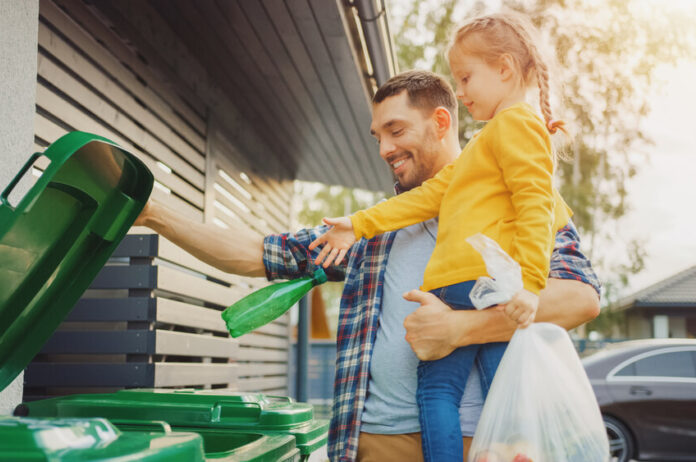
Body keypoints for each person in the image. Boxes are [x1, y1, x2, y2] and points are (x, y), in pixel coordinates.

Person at [133, 70, 600, 462]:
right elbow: (260, 254)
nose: (384, 150)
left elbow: (579, 299)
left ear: (441, 122)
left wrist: (460, 328)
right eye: (378, 136)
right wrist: (155, 214)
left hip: (479, 444)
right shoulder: (371, 231)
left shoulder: (520, 199)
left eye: (396, 131)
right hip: (373, 443)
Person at [309, 12, 572, 461]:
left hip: (475, 286)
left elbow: (537, 206)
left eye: (467, 78)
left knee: (439, 392)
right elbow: (427, 197)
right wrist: (359, 224)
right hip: (470, 287)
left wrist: (529, 283)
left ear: (505, 69)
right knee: (498, 387)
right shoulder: (484, 146)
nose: (462, 91)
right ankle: (513, 448)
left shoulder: (515, 125)